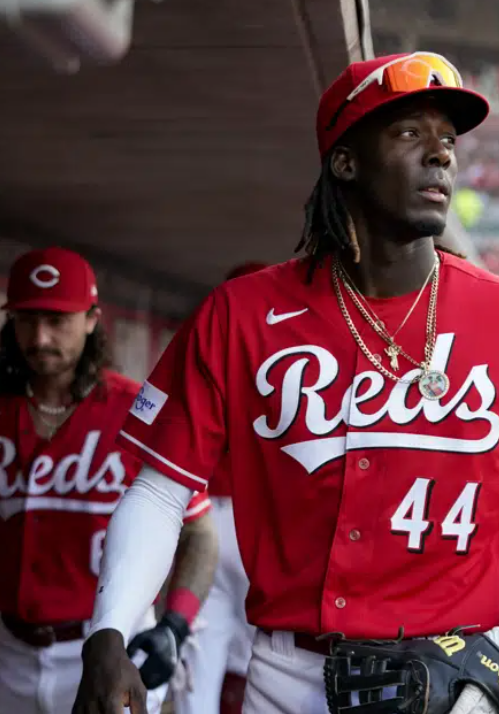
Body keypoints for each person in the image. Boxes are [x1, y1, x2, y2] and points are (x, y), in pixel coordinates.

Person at [71, 52, 499, 714]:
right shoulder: (242, 313)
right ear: (346, 161)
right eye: (409, 134)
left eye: (447, 139)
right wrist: (108, 632)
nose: (441, 155)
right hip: (289, 673)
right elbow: (161, 492)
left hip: (457, 682)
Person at [0, 247, 218, 714]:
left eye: (58, 321)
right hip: (8, 647)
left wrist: (175, 626)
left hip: (108, 645)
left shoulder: (136, 411)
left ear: (91, 319)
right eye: (27, 320)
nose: (40, 337)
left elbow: (200, 534)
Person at [174, 262, 267, 714]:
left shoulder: (209, 345)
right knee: (270, 663)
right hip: (253, 522)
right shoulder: (301, 354)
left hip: (209, 515)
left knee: (202, 671)